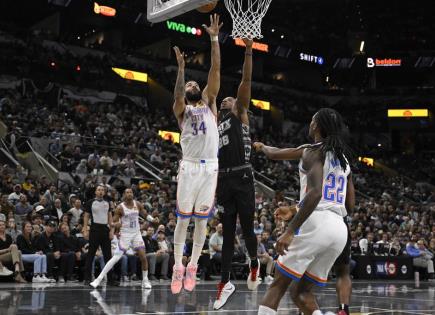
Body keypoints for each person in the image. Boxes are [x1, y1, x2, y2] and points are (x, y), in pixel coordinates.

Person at [256, 108, 353, 315]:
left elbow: (316, 192)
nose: (309, 124)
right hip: (339, 230)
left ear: (316, 126)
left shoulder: (312, 150)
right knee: (301, 292)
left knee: (277, 286)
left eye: (311, 120)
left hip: (316, 223)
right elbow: (350, 206)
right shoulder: (343, 160)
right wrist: (263, 147)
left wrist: (290, 231)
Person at [171, 14, 222, 294]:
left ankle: (192, 266)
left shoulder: (210, 101)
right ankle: (178, 266)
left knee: (202, 221)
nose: (191, 84)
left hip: (210, 167)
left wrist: (214, 38)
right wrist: (181, 68)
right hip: (190, 167)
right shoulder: (183, 111)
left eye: (193, 82)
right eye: (188, 83)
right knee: (182, 219)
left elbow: (215, 69)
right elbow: (178, 96)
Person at [213, 38, 260, 310]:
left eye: (229, 98)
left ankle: (254, 263)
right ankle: (224, 283)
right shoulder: (216, 122)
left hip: (242, 176)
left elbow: (246, 80)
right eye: (225, 98)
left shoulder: (239, 113)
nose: (226, 98)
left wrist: (249, 51)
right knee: (228, 234)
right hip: (223, 180)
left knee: (247, 229)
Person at [90, 188, 152, 289]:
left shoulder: (138, 204)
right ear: (124, 195)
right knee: (116, 258)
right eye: (127, 192)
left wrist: (153, 219)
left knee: (143, 257)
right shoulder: (120, 207)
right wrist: (114, 224)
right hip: (125, 235)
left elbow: (145, 214)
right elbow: (113, 222)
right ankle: (98, 279)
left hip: (136, 233)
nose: (129, 194)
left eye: (131, 192)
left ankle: (145, 280)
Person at [82, 185, 116, 286]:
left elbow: (110, 217)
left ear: (104, 192)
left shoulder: (107, 203)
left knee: (108, 256)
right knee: (91, 254)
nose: (101, 191)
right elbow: (86, 216)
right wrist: (85, 230)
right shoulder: (90, 202)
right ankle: (87, 278)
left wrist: (112, 230)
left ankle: (110, 279)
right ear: (95, 192)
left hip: (105, 229)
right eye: (99, 190)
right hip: (94, 229)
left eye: (102, 190)